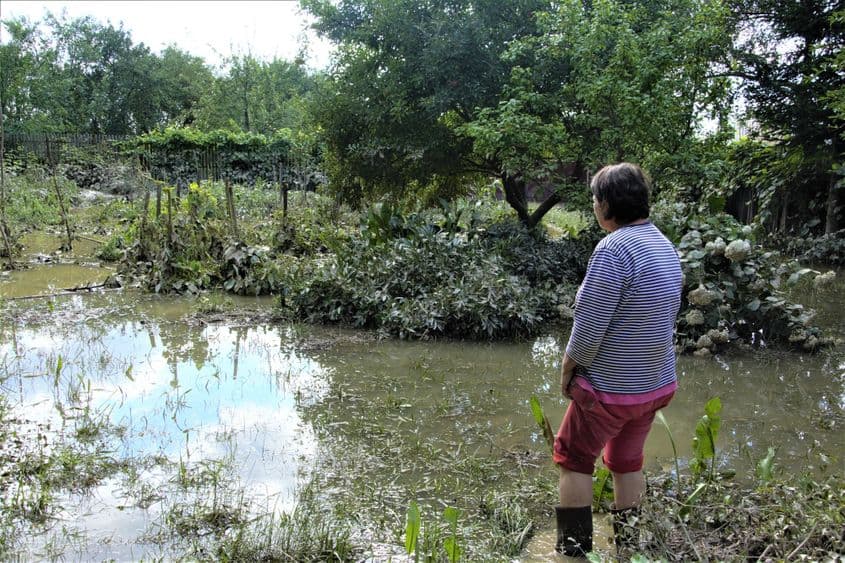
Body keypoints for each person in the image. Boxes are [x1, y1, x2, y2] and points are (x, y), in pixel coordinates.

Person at [553, 163, 682, 557]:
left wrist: (567, 369)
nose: (594, 206)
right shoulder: (663, 244)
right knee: (627, 462)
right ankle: (629, 548)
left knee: (573, 458)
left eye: (595, 199)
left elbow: (589, 329)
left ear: (606, 204)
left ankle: (574, 552)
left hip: (610, 391)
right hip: (654, 386)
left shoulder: (614, 249)